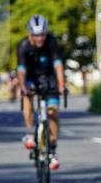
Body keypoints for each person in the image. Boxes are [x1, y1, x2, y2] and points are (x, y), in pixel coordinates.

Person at [16, 14, 66, 170]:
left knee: (53, 112)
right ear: (29, 34)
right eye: (36, 35)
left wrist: (61, 84)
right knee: (27, 97)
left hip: (49, 78)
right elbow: (21, 70)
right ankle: (31, 131)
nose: (40, 39)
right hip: (31, 78)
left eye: (42, 35)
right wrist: (23, 86)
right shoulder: (23, 46)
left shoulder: (51, 42)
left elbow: (58, 65)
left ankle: (52, 148)